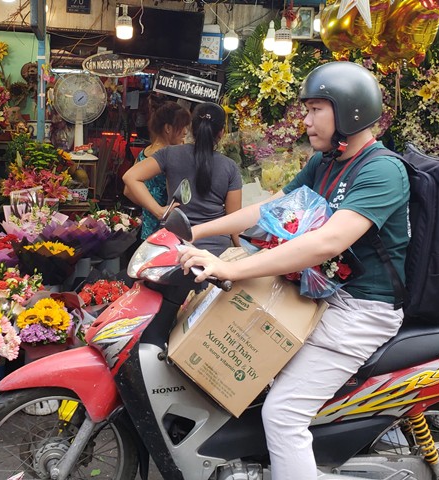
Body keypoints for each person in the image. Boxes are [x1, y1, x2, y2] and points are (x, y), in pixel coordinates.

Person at [177, 62, 410, 479]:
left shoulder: (382, 169)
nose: (305, 120)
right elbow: (268, 210)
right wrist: (194, 231)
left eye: (316, 109)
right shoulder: (326, 162)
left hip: (361, 310)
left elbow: (326, 243)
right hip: (322, 297)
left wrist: (235, 267)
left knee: (283, 414)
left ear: (350, 110)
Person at [123, 101, 242, 255]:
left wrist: (159, 211)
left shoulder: (170, 154)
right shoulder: (230, 167)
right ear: (221, 132)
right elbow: (234, 223)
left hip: (174, 248)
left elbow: (130, 177)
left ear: (192, 128)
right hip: (214, 254)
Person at [127, 95, 191, 240]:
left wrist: (149, 205)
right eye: (182, 127)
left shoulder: (145, 153)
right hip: (168, 229)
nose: (185, 132)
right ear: (168, 128)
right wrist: (158, 210)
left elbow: (128, 191)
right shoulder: (168, 156)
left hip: (148, 229)